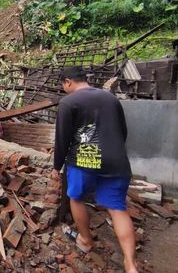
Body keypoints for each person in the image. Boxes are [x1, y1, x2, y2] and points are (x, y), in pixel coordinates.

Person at [52, 66, 138, 273]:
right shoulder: (110, 98)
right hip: (116, 160)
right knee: (117, 208)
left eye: (63, 85)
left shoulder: (68, 102)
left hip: (84, 160)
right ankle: (130, 264)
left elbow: (62, 139)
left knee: (76, 197)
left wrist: (57, 166)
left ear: (68, 82)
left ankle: (85, 240)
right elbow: (122, 130)